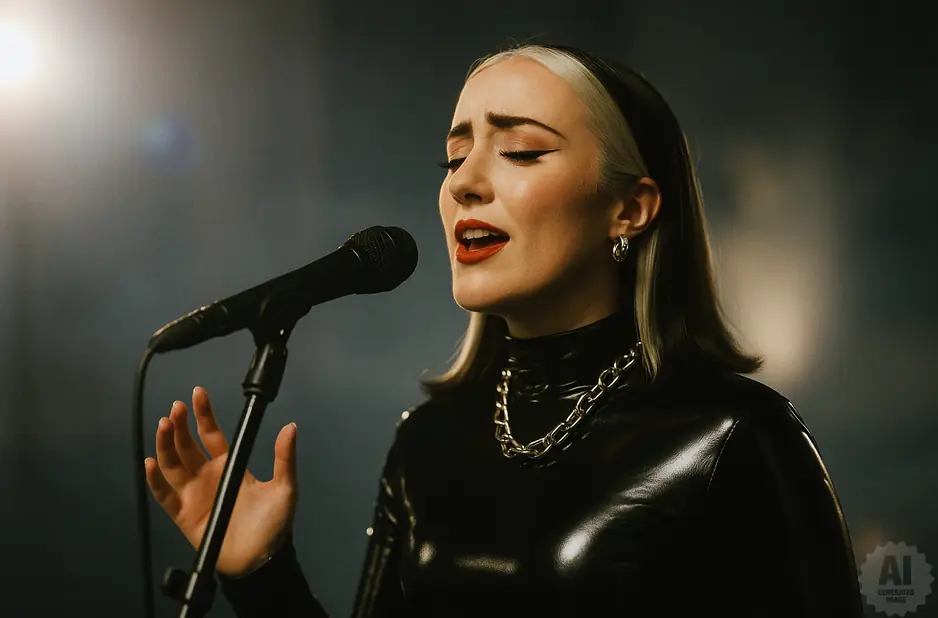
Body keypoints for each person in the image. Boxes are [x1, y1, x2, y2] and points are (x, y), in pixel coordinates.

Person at [144, 43, 864, 617]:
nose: (464, 183)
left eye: (519, 151)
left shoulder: (734, 437)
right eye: (454, 158)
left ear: (631, 209)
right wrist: (260, 574)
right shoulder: (426, 443)